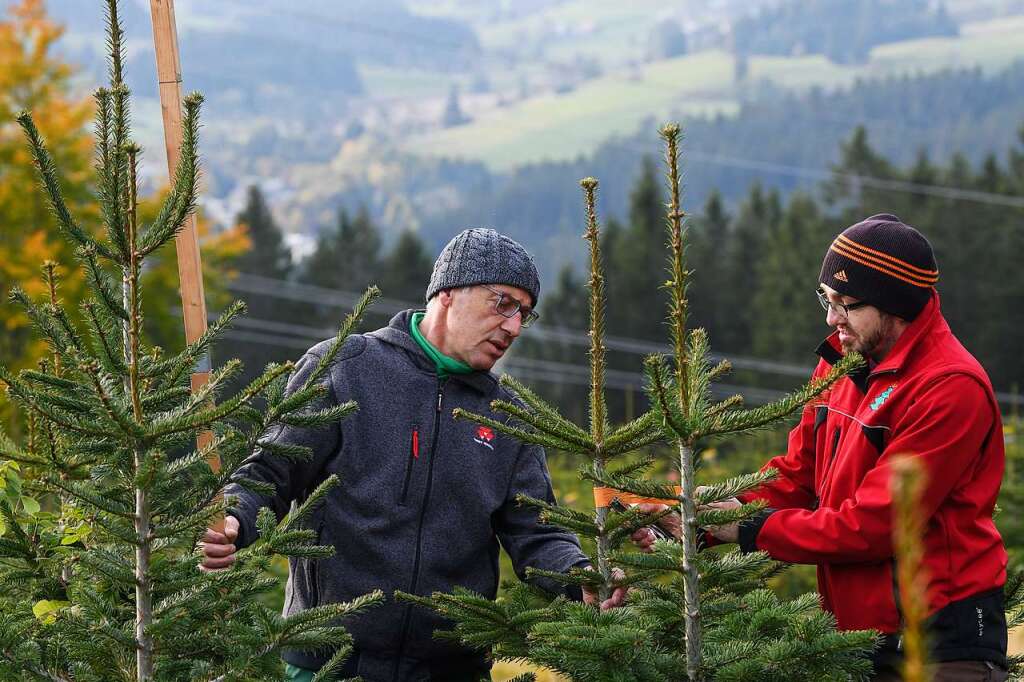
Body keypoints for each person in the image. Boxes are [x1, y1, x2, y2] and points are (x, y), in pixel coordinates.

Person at [200, 228, 623, 682]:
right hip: (330, 666)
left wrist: (578, 575)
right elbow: (271, 471)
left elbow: (537, 533)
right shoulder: (345, 368)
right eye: (502, 303)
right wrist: (235, 518)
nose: (513, 326)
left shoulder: (509, 417)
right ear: (447, 293)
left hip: (452, 672)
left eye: (524, 314)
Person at [633, 214, 1008, 681]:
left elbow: (873, 526)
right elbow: (795, 477)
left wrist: (745, 529)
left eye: (846, 304)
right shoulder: (843, 366)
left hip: (940, 649)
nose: (832, 319)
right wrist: (694, 520)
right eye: (825, 299)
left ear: (896, 304)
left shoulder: (950, 388)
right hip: (854, 641)